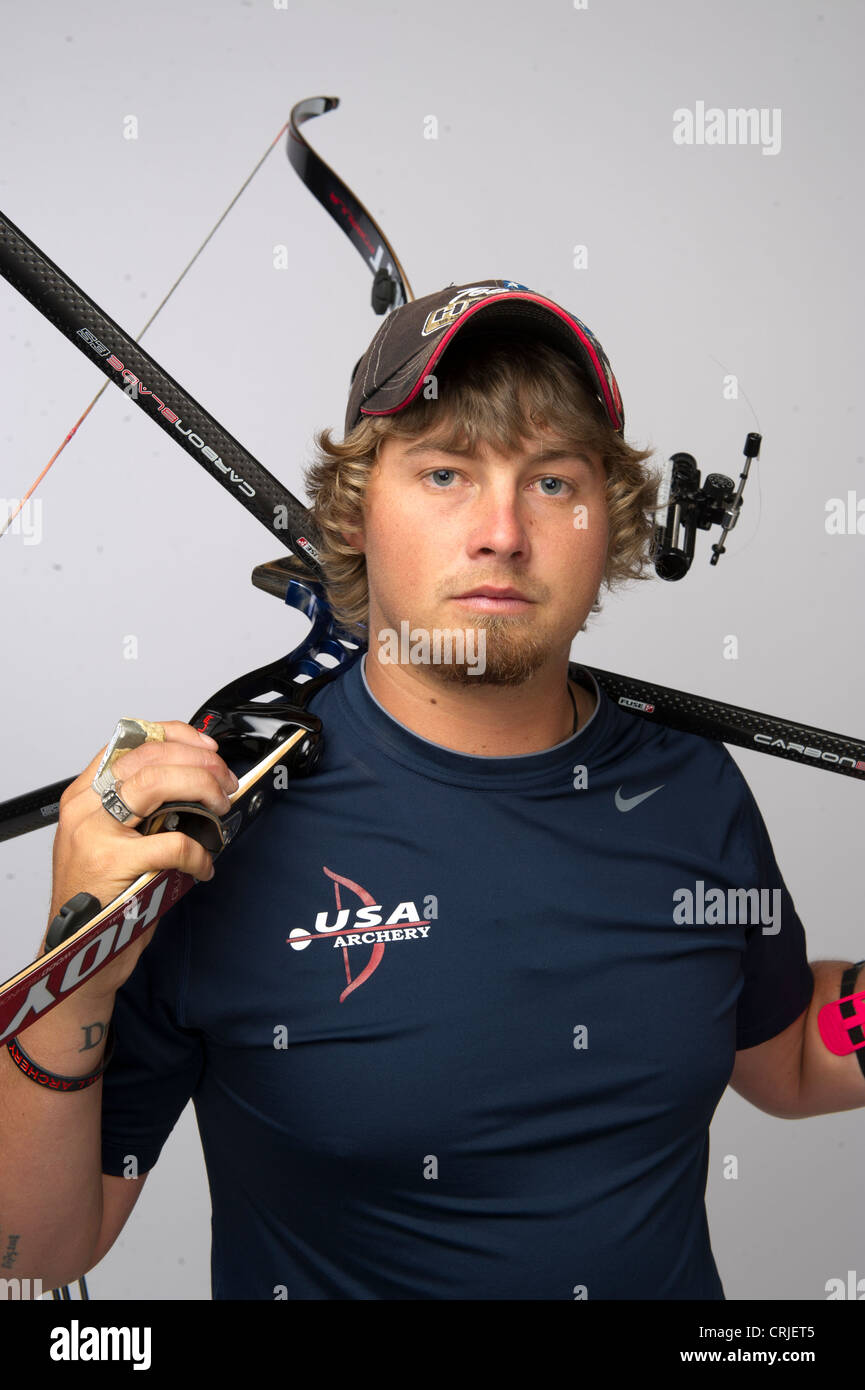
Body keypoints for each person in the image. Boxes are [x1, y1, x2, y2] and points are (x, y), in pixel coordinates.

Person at [2, 281, 861, 1301]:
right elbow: (40, 1250)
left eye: (551, 481)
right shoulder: (218, 828)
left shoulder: (689, 788)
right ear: (354, 517)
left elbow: (790, 1056)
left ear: (615, 526)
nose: (500, 530)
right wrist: (69, 977)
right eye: (445, 471)